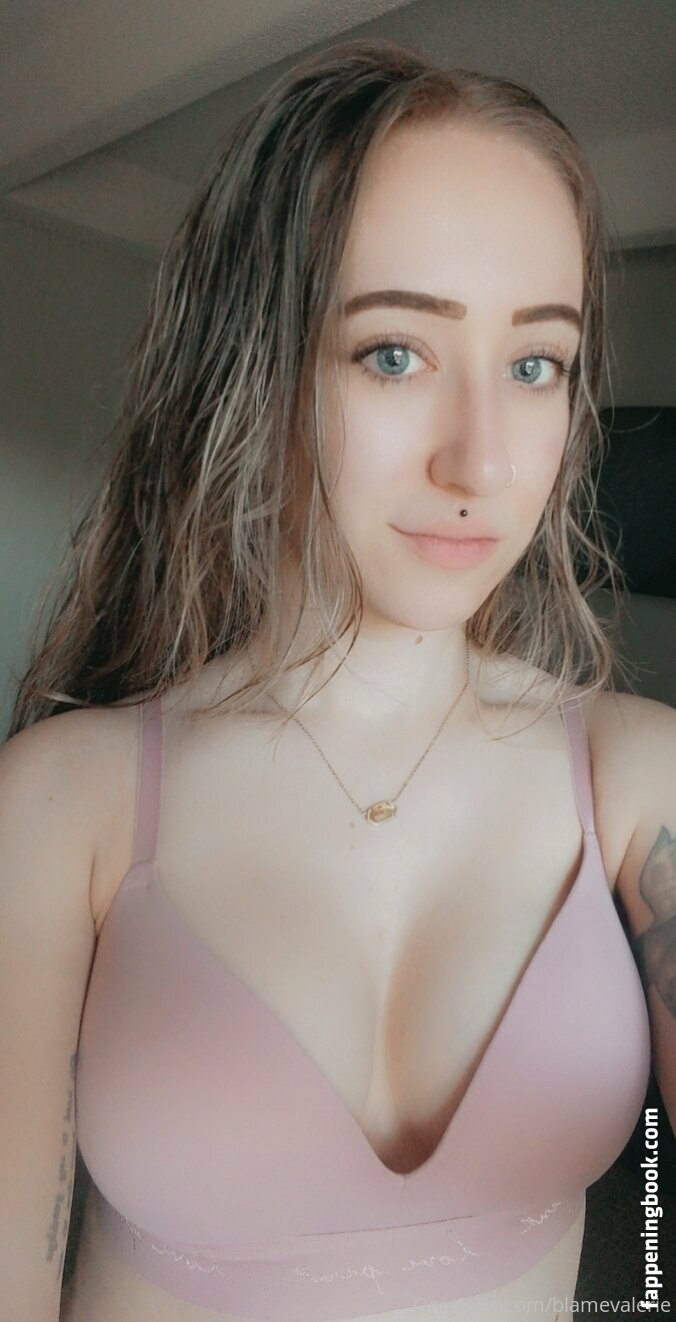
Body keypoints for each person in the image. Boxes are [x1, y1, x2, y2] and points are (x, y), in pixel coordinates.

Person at [2, 36, 674, 1322]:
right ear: (253, 365)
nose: (482, 461)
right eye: (394, 353)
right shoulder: (61, 804)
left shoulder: (636, 777)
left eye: (534, 364)